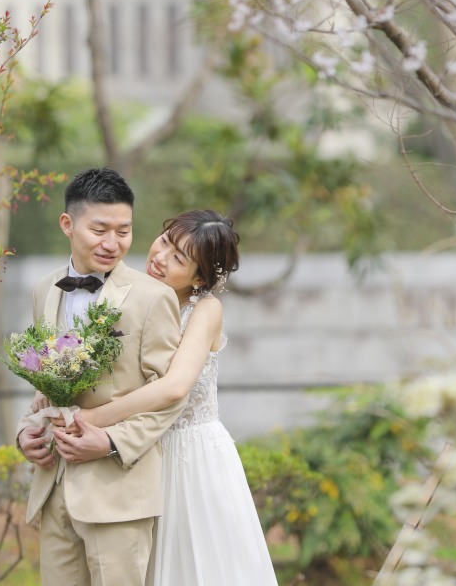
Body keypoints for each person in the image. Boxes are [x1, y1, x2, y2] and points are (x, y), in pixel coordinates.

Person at [74, 208, 279, 586]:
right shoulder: (129, 295)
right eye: (165, 242)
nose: (160, 257)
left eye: (178, 258)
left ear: (200, 277)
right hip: (141, 450)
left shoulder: (205, 310)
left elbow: (174, 386)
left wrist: (93, 421)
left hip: (192, 457)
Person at [15, 167, 187, 586]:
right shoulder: (45, 289)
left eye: (124, 231)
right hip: (54, 485)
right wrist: (26, 432)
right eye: (100, 229)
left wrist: (110, 441)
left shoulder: (153, 297)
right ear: (68, 224)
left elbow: (169, 395)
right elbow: (45, 384)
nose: (113, 243)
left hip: (119, 492)